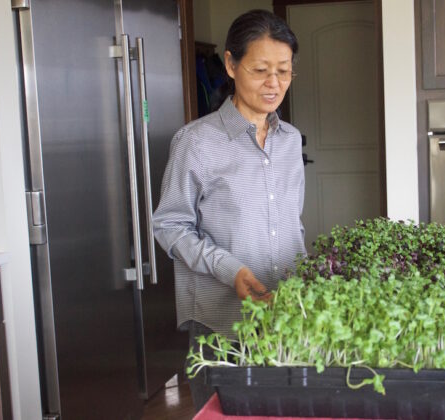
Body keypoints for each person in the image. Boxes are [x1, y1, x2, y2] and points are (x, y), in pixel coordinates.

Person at [152, 9, 306, 411]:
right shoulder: (196, 142)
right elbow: (169, 225)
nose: (274, 84)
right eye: (260, 70)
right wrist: (230, 269)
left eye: (284, 71)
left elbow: (292, 225)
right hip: (222, 322)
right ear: (231, 65)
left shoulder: (290, 141)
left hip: (284, 316)